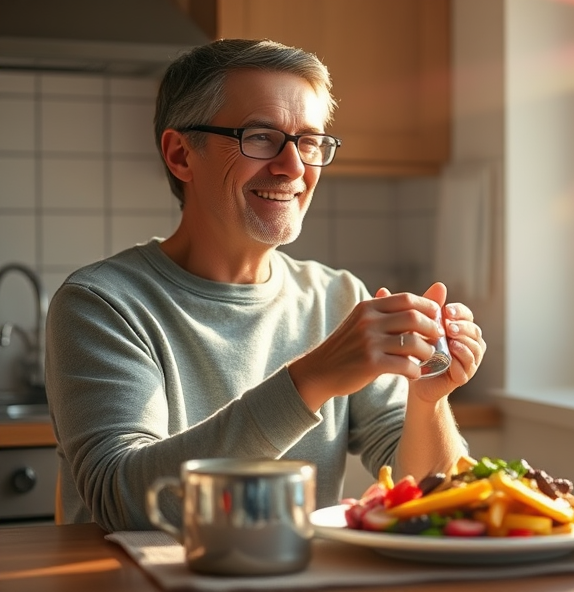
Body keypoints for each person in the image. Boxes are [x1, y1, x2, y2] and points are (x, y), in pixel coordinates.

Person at [45, 38, 486, 532]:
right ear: (181, 154)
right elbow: (125, 501)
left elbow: (434, 496)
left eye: (311, 141)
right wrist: (311, 379)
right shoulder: (101, 305)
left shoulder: (338, 297)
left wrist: (427, 400)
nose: (294, 167)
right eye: (260, 137)